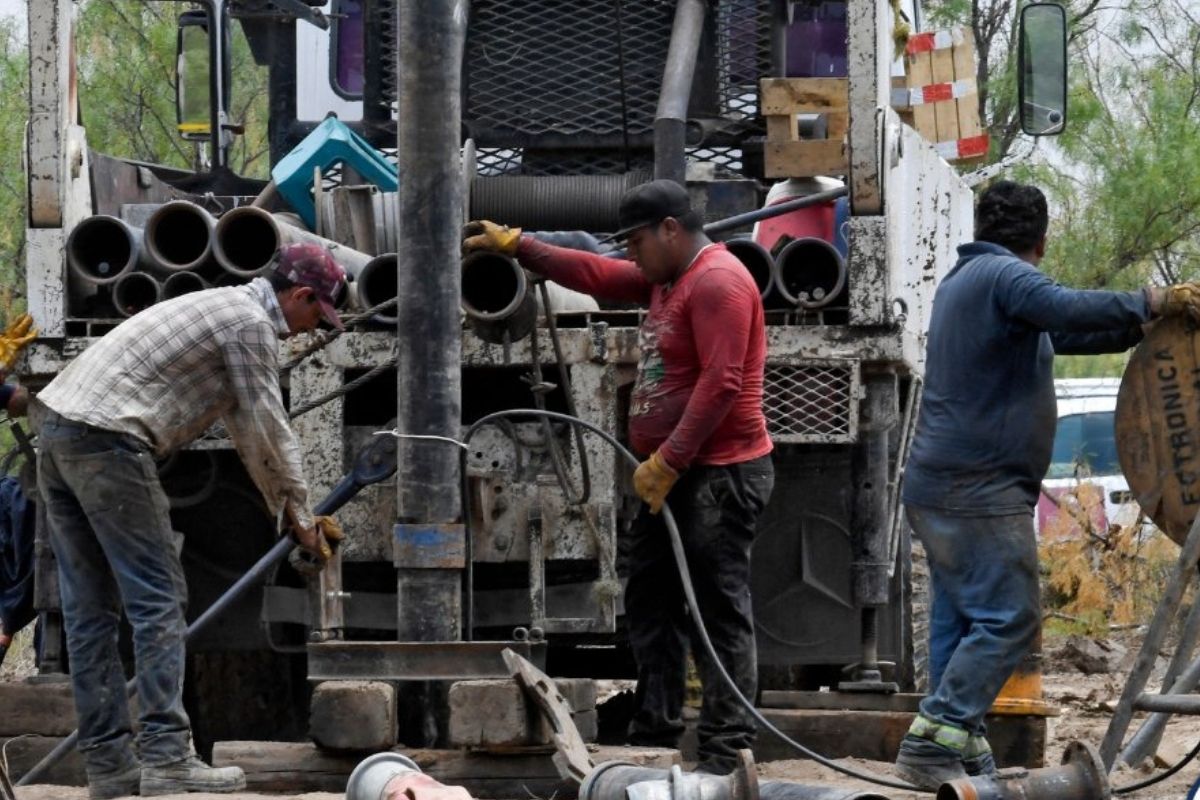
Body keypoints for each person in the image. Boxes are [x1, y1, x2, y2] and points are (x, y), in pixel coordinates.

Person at [895, 180, 1200, 789]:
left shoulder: (969, 285)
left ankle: (951, 745)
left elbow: (1065, 332)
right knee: (1010, 616)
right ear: (1041, 238)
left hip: (942, 485)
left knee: (962, 622)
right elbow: (1063, 308)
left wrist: (1143, 326)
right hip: (978, 490)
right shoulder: (1005, 279)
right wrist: (1154, 298)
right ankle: (938, 737)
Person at [463, 179, 775, 775]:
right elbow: (599, 276)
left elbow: (723, 383)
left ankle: (726, 750)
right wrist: (522, 246)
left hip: (718, 476)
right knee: (650, 600)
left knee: (717, 607)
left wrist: (671, 459)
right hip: (676, 476)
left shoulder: (717, 281)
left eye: (635, 240)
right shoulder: (669, 277)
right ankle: (656, 731)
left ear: (670, 230)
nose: (630, 253)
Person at [33, 243, 348, 799]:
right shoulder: (250, 324)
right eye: (314, 316)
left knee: (90, 613)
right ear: (299, 296)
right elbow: (265, 430)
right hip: (109, 440)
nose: (309, 331)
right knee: (158, 598)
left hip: (58, 433)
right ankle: (166, 757)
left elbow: (241, 423)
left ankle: (109, 769)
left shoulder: (221, 307)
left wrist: (287, 506)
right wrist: (301, 517)